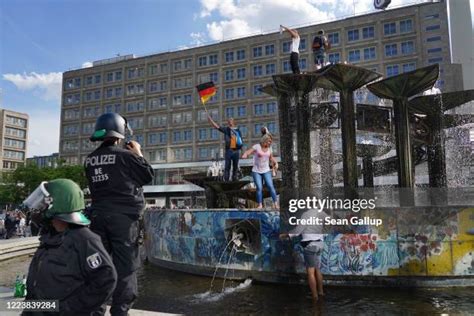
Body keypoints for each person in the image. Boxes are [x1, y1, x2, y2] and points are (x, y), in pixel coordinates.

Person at [85, 112, 154, 316]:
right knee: (126, 268)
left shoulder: (89, 160)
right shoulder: (126, 156)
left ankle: (96, 310)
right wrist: (138, 153)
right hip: (124, 221)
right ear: (120, 133)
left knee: (100, 267)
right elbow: (147, 176)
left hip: (98, 218)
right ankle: (120, 312)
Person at [23, 179, 117, 314]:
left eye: (43, 202)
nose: (38, 207)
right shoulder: (50, 238)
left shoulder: (85, 240)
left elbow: (105, 280)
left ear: (56, 205)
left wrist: (70, 308)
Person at [280, 209, 327, 303]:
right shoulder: (321, 213)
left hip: (310, 246)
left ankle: (315, 297)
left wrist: (285, 235)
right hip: (320, 244)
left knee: (310, 272)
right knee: (317, 269)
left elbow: (297, 231)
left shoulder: (306, 214)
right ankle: (321, 292)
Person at [242, 134, 279, 209]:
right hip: (256, 171)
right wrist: (245, 154)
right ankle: (260, 204)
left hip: (266, 170)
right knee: (259, 187)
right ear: (264, 140)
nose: (270, 143)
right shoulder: (257, 146)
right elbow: (248, 152)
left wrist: (276, 162)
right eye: (269, 141)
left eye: (270, 142)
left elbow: (271, 158)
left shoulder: (269, 149)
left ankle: (276, 203)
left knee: (270, 186)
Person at [208, 115, 243, 181]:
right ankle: (226, 180)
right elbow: (217, 127)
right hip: (229, 150)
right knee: (227, 167)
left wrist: (242, 152)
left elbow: (240, 141)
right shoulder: (226, 129)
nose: (230, 122)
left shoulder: (238, 130)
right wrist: (211, 121)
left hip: (236, 151)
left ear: (233, 122)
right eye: (228, 121)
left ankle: (234, 179)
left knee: (235, 167)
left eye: (231, 121)